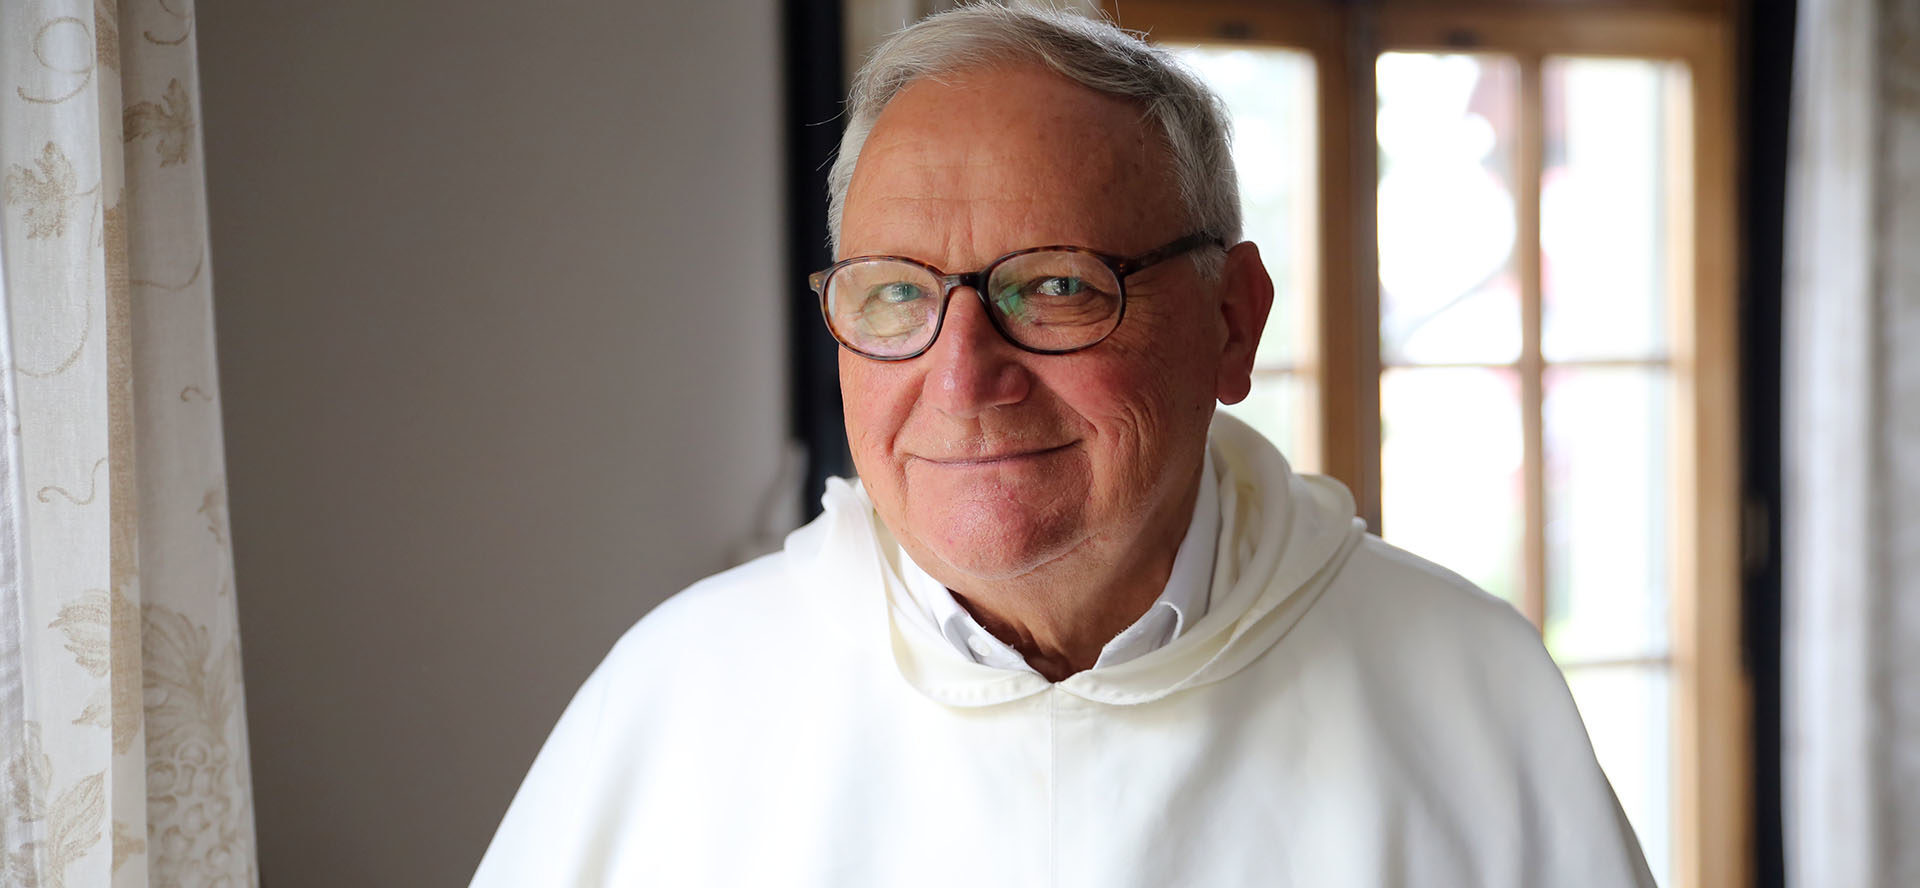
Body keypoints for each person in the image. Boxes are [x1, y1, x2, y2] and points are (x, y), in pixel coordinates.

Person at [471, 5, 1655, 886]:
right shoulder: (680, 698)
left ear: (1231, 322)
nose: (961, 376)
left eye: (1053, 286)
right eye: (893, 296)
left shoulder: (1471, 696)